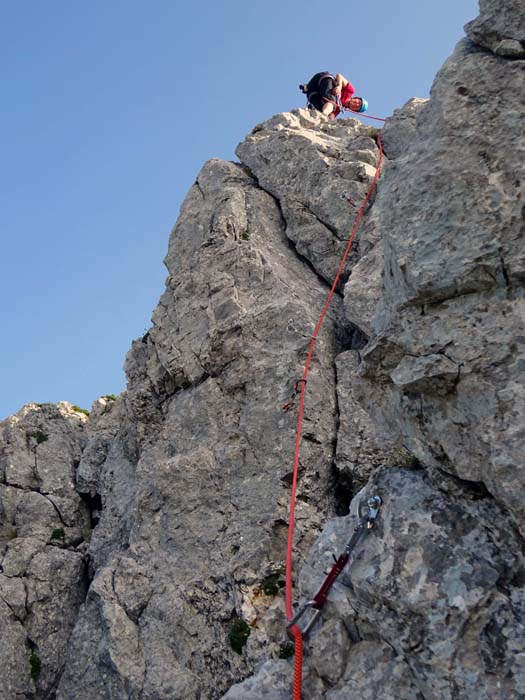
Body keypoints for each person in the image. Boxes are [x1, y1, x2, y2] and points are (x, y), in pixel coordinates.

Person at [299, 72, 368, 118]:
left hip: (313, 93)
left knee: (327, 108)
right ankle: (322, 116)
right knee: (332, 103)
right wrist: (339, 87)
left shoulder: (338, 109)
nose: (356, 104)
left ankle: (316, 111)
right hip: (323, 79)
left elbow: (332, 116)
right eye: (359, 102)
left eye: (358, 107)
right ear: (356, 98)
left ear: (354, 110)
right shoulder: (350, 91)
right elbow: (339, 75)